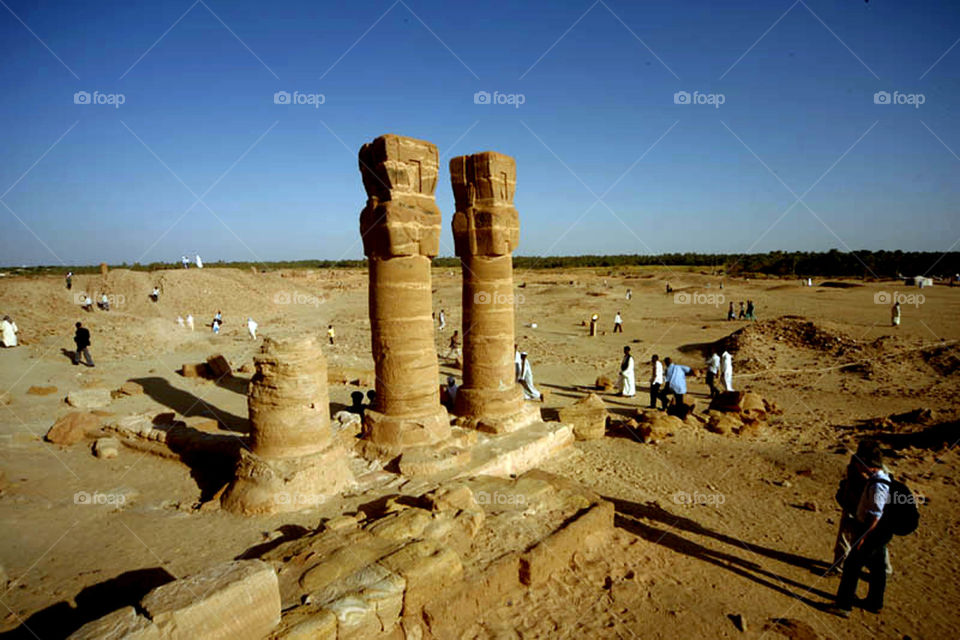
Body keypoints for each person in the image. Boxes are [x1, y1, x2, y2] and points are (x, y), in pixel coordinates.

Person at [835, 446, 893, 614]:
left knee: (852, 567)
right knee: (878, 568)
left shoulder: (878, 485)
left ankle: (843, 606)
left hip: (870, 530)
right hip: (877, 531)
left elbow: (875, 515)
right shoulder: (880, 479)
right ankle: (874, 603)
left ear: (868, 464)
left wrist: (863, 538)